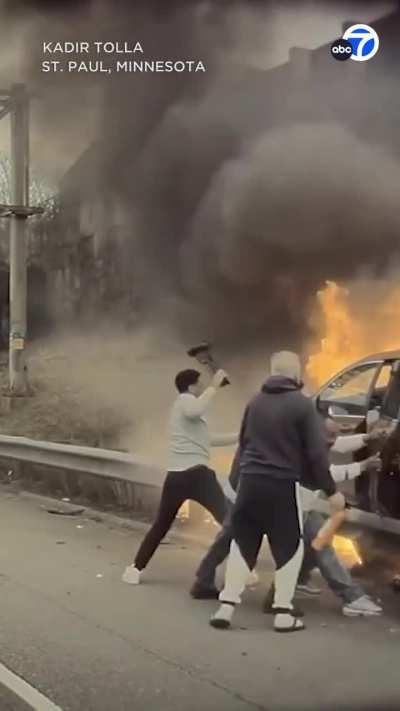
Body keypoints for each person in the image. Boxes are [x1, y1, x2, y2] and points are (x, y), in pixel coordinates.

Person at [210, 351, 344, 633]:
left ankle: (226, 606)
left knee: (243, 544)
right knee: (289, 547)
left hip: (249, 483)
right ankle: (283, 613)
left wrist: (235, 485)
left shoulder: (255, 402)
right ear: (295, 374)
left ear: (272, 372)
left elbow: (243, 445)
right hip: (281, 486)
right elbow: (315, 454)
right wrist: (330, 491)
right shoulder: (302, 405)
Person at [122, 367, 237, 585]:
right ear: (191, 386)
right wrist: (214, 387)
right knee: (230, 520)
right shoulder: (185, 401)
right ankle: (243, 571)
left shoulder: (186, 412)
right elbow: (196, 409)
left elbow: (208, 440)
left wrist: (239, 436)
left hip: (177, 476)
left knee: (161, 525)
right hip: (197, 475)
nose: (203, 386)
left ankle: (135, 569)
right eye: (200, 383)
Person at [263, 416, 383, 617]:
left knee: (314, 544)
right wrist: (363, 466)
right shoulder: (306, 450)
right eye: (328, 436)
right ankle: (351, 598)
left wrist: (368, 437)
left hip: (301, 504)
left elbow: (340, 444)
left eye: (334, 436)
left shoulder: (315, 440)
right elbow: (328, 474)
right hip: (291, 505)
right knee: (308, 548)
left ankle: (296, 584)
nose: (332, 441)